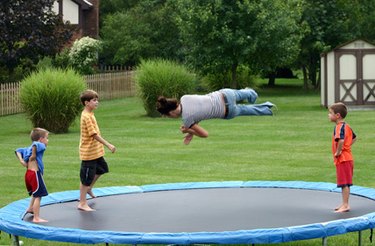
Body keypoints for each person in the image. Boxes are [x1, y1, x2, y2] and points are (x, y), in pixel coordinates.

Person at [156, 88, 275, 144]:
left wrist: (188, 130)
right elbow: (200, 108)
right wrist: (190, 132)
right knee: (246, 93)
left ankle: (267, 109)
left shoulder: (187, 120)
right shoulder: (185, 98)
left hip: (227, 111)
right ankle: (251, 94)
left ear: (171, 113)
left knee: (247, 110)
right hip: (225, 94)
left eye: (168, 116)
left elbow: (205, 134)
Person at [78, 89, 116, 211]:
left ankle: (89, 188)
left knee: (102, 169)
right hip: (89, 153)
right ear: (86, 103)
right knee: (86, 178)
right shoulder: (86, 117)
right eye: (94, 100)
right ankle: (82, 203)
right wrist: (108, 144)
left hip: (96, 152)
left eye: (96, 100)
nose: (97, 102)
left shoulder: (91, 114)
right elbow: (93, 134)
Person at [15, 127, 49, 223]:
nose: (47, 140)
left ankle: (30, 208)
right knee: (39, 196)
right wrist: (34, 154)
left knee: (35, 193)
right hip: (35, 174)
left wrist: (22, 160)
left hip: (28, 174)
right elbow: (36, 144)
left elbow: (18, 150)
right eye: (46, 138)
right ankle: (36, 218)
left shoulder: (27, 149)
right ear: (41, 139)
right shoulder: (41, 145)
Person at [328, 102, 356, 213]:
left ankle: (345, 205)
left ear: (337, 115)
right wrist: (347, 147)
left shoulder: (339, 127)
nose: (329, 115)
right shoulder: (347, 126)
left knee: (344, 183)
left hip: (343, 159)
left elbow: (341, 140)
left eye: (330, 113)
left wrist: (339, 151)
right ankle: (344, 203)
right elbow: (354, 137)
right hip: (347, 158)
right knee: (345, 182)